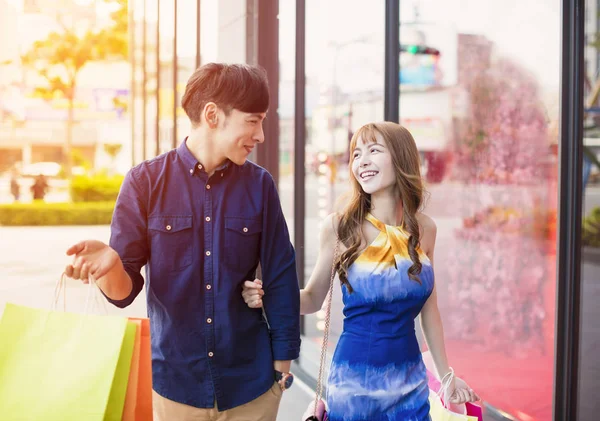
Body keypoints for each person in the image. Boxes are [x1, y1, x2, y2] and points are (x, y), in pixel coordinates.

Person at [65, 63, 301, 421]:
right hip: (175, 387)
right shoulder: (144, 182)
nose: (261, 135)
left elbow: (281, 275)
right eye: (253, 121)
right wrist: (111, 265)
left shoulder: (260, 185)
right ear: (212, 115)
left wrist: (280, 371)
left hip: (252, 386)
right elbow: (122, 292)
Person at [242, 122, 480, 421]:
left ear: (401, 158)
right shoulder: (340, 227)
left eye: (374, 150)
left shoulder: (426, 229)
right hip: (355, 384)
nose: (361, 161)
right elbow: (313, 299)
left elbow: (430, 310)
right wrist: (268, 297)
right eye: (356, 154)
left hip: (411, 382)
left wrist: (446, 377)